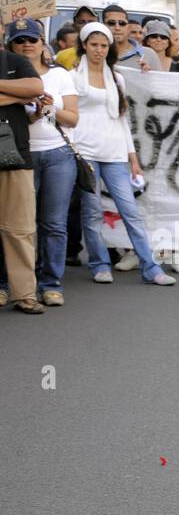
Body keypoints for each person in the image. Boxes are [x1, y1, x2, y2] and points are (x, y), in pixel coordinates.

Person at [71, 23, 174, 286]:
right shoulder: (71, 77)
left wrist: (134, 159)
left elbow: (122, 119)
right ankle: (100, 263)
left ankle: (150, 267)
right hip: (85, 153)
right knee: (92, 213)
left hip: (115, 152)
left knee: (130, 211)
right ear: (84, 45)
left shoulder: (117, 78)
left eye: (104, 45)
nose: (99, 50)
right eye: (94, 44)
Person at [12, 19, 79, 308]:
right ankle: (17, 283)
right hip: (20, 155)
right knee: (20, 225)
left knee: (53, 223)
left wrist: (48, 110)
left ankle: (51, 283)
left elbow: (73, 119)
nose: (27, 45)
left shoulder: (60, 75)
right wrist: (34, 115)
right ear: (11, 45)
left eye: (32, 39)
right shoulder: (9, 74)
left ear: (43, 43)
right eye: (20, 40)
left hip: (57, 155)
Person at [0, 20, 47, 313]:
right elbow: (27, 93)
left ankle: (24, 294)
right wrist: (16, 96)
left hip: (15, 155)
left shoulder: (14, 60)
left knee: (20, 228)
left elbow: (35, 88)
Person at [101, 4, 159, 72]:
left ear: (128, 27)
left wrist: (150, 75)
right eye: (111, 23)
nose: (117, 28)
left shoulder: (149, 54)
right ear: (102, 25)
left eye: (122, 23)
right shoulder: (96, 53)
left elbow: (160, 81)